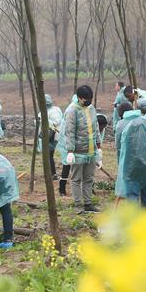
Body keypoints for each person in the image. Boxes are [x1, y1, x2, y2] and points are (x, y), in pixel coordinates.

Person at [60, 85, 102, 214]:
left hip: (91, 150)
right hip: (78, 151)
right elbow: (69, 131)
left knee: (89, 178)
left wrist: (98, 145)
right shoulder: (72, 110)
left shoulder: (91, 109)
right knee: (76, 178)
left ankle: (88, 203)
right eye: (86, 99)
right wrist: (70, 150)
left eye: (90, 98)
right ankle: (78, 204)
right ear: (79, 98)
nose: (88, 101)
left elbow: (95, 127)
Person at [115, 101, 146, 208]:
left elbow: (119, 148)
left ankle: (134, 221)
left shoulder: (121, 125)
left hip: (130, 167)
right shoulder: (145, 121)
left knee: (132, 196)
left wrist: (121, 167)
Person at [37, 94, 63, 178]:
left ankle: (52, 174)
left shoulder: (54, 111)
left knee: (49, 155)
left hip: (51, 136)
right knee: (48, 156)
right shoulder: (44, 111)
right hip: (46, 136)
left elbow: (56, 122)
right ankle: (50, 173)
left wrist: (44, 121)